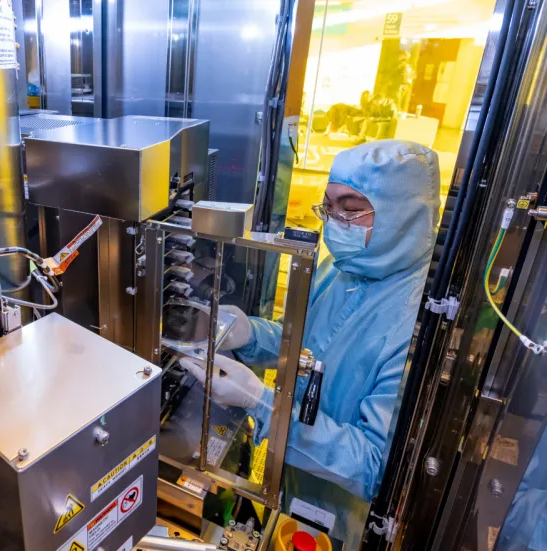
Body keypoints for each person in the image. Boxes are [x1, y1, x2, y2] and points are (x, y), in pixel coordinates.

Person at [182, 140, 440, 546]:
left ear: (402, 214)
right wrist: (250, 332)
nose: (335, 222)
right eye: (329, 207)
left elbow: (374, 466)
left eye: (351, 209)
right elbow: (302, 342)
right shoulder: (343, 266)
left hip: (342, 510)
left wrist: (261, 401)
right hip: (293, 477)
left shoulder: (416, 319)